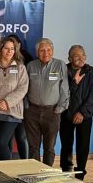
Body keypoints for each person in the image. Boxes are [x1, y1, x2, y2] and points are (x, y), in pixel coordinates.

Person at [24, 37, 69, 166]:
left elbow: (64, 88)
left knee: (49, 147)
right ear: (37, 52)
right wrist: (26, 106)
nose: (46, 53)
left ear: (52, 51)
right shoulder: (30, 66)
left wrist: (60, 108)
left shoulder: (60, 65)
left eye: (48, 50)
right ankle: (34, 172)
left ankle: (47, 172)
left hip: (52, 112)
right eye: (42, 50)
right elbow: (24, 88)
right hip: (32, 112)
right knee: (33, 147)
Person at [59, 45, 93, 180]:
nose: (81, 58)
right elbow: (63, 94)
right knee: (66, 144)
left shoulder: (91, 72)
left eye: (83, 55)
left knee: (83, 145)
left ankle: (80, 172)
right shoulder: (63, 70)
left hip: (84, 116)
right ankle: (66, 170)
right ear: (70, 58)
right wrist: (75, 82)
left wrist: (82, 113)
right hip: (66, 114)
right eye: (77, 56)